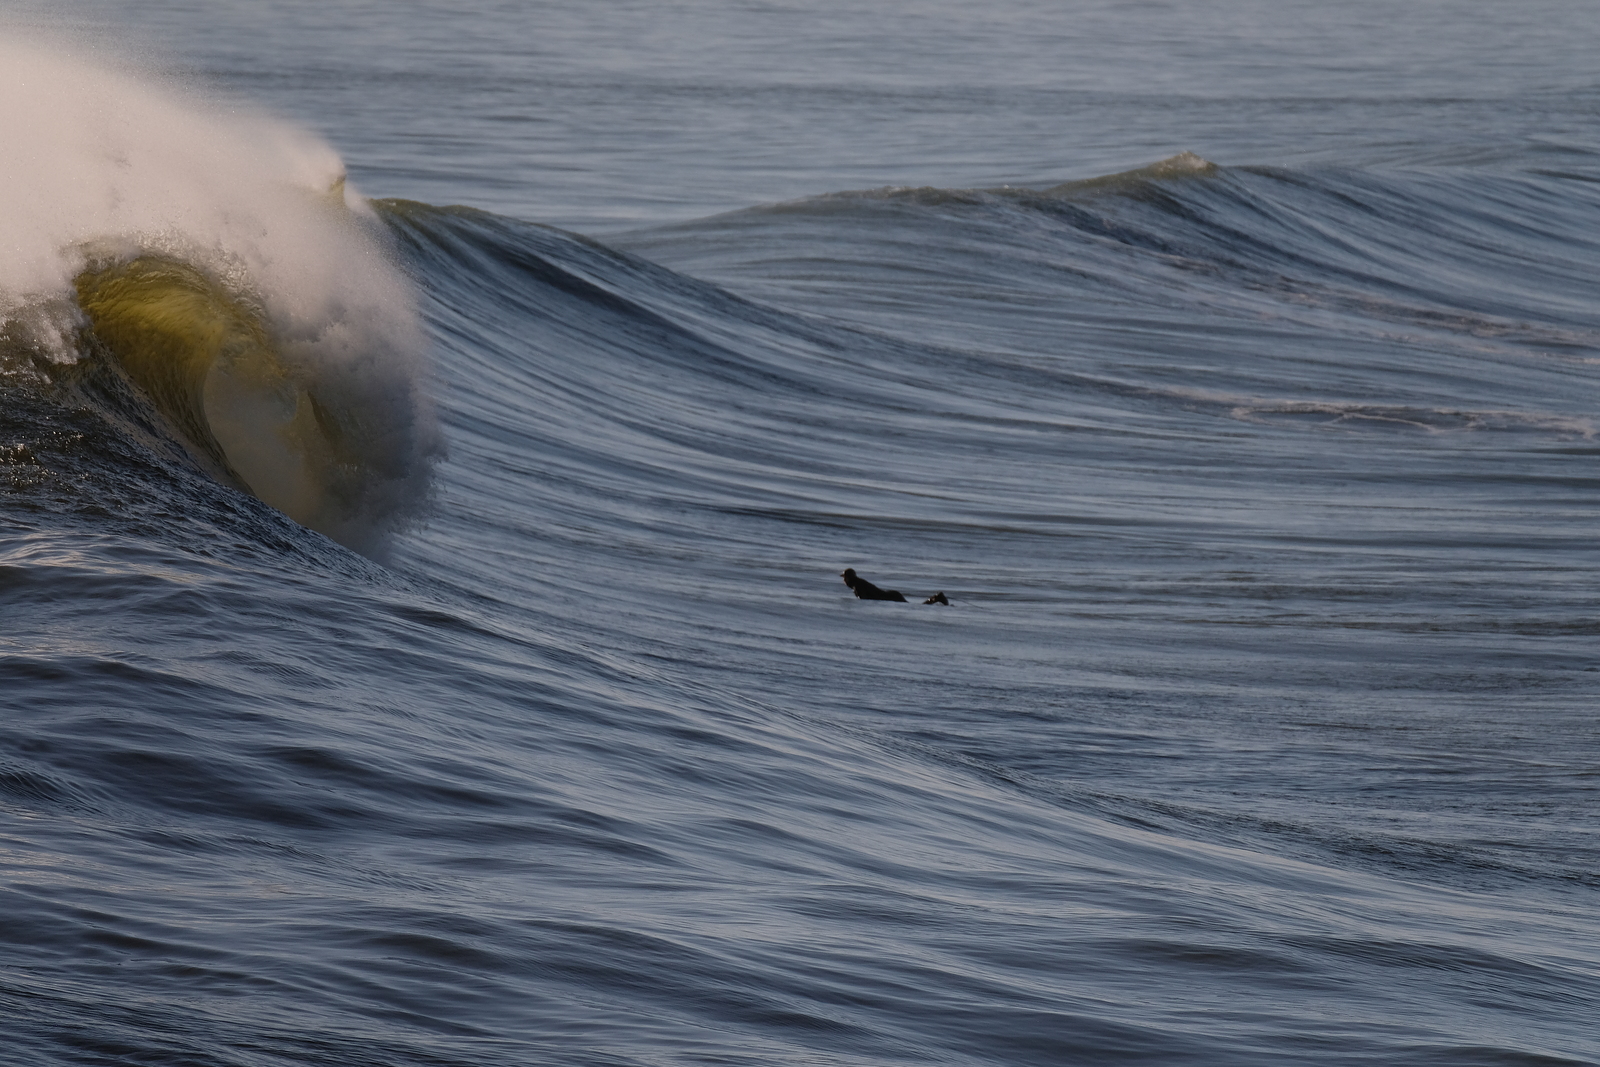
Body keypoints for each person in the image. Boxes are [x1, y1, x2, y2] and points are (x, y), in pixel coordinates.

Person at [840, 568, 907, 602]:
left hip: (892, 597)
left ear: (848, 578)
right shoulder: (859, 583)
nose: (844, 581)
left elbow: (863, 599)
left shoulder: (857, 586)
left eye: (844, 578)